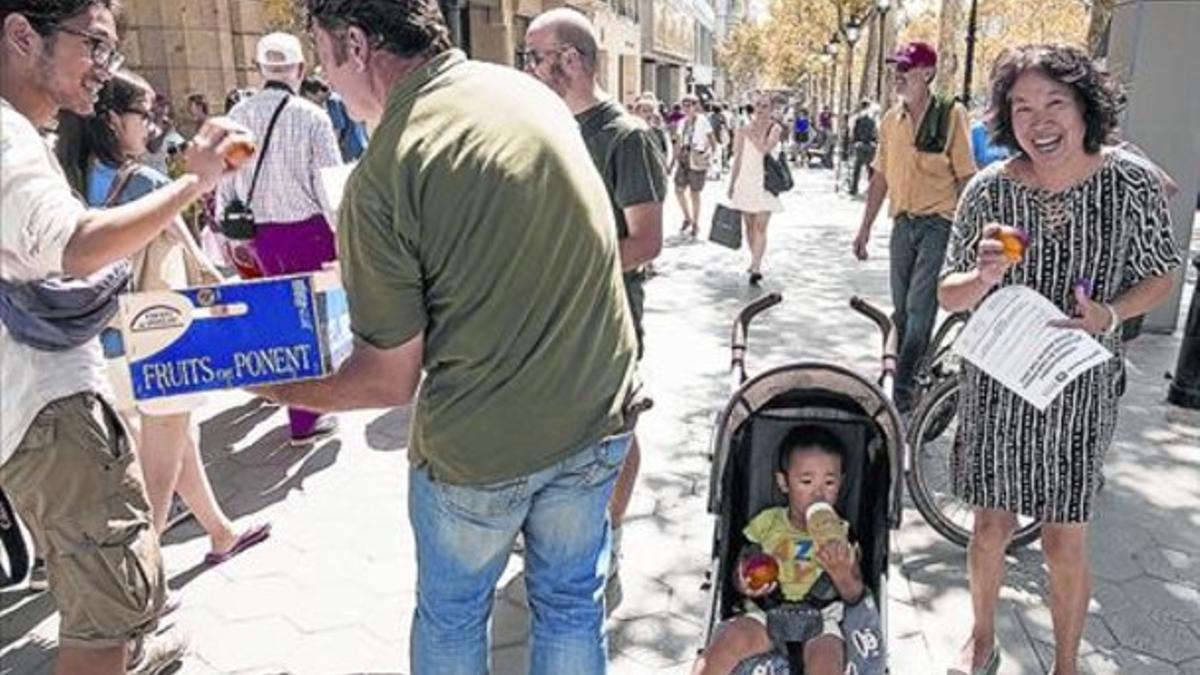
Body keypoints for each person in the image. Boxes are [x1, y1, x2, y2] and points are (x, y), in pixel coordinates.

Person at [259, 1, 641, 673]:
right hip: (596, 414)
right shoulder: (526, 93)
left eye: (320, 55)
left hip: (483, 449)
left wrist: (268, 382)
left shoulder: (386, 171)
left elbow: (387, 378)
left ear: (355, 44)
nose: (325, 79)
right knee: (571, 603)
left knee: (454, 615)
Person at [0, 1, 243, 672]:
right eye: (95, 46)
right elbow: (75, 245)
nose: (105, 72)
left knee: (109, 601)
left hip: (30, 412)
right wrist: (196, 180)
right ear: (23, 36)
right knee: (102, 620)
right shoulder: (8, 136)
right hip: (50, 413)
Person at [938, 45, 1181, 675]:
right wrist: (982, 276)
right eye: (1021, 107)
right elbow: (947, 291)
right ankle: (982, 636)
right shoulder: (989, 190)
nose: (1037, 120)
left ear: (1085, 109)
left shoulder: (1128, 182)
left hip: (1079, 388)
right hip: (996, 380)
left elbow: (1162, 273)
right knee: (990, 526)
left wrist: (1108, 314)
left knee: (1062, 535)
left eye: (1054, 103)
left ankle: (1066, 664)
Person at [56, 70, 272, 567]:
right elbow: (194, 259)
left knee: (178, 439)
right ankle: (147, 572)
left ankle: (220, 531)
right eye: (144, 115)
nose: (151, 127)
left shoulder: (64, 177)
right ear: (111, 118)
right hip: (158, 335)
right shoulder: (145, 183)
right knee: (159, 461)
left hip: (97, 339)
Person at [524, 7, 666, 612]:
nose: (528, 69)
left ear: (572, 61)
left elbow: (646, 240)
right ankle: (560, 533)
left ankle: (610, 526)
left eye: (535, 58)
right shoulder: (540, 125)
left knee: (613, 424)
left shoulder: (625, 136)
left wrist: (572, 274)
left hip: (605, 314)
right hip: (541, 316)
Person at [217, 31, 343, 446]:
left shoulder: (238, 116)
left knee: (285, 320)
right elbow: (330, 186)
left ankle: (293, 400)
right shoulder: (312, 116)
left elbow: (227, 181)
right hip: (310, 232)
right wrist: (344, 234)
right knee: (317, 323)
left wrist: (228, 230)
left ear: (259, 69)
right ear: (300, 70)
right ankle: (307, 416)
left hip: (262, 235)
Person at [851, 41, 976, 412]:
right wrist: (864, 228)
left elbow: (967, 177)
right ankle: (899, 369)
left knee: (920, 307)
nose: (897, 75)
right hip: (902, 224)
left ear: (928, 73)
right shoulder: (891, 120)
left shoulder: (951, 115)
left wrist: (966, 233)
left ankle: (901, 386)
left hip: (939, 223)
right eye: (895, 68)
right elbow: (880, 177)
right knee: (901, 308)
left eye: (906, 68)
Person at [692, 426, 864, 675]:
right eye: (806, 481)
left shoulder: (842, 533)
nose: (818, 493)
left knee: (829, 663)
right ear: (784, 483)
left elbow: (855, 595)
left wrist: (841, 574)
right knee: (725, 644)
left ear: (841, 484)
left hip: (822, 618)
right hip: (765, 613)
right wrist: (744, 584)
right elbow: (741, 567)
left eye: (829, 482)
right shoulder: (767, 523)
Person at [727, 92, 785, 286]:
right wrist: (732, 183)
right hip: (745, 181)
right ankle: (754, 258)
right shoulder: (742, 129)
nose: (761, 110)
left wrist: (751, 135)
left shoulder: (775, 128)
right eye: (758, 106)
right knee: (749, 225)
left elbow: (765, 149)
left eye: (765, 106)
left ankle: (756, 266)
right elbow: (738, 159)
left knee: (761, 225)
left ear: (771, 109)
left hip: (765, 183)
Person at [671, 92, 715, 237]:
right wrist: (672, 161)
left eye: (690, 105)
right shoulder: (682, 122)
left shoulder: (703, 121)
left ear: (696, 106)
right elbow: (678, 142)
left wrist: (710, 156)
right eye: (684, 105)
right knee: (678, 190)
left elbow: (712, 140)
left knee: (694, 192)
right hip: (684, 157)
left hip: (696, 157)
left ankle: (695, 222)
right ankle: (687, 217)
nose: (687, 108)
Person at [849, 99, 878, 196]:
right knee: (870, 169)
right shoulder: (872, 119)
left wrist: (854, 142)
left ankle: (854, 189)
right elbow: (875, 133)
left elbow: (854, 132)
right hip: (869, 145)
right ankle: (873, 189)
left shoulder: (857, 118)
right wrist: (874, 142)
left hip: (860, 145)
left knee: (857, 169)